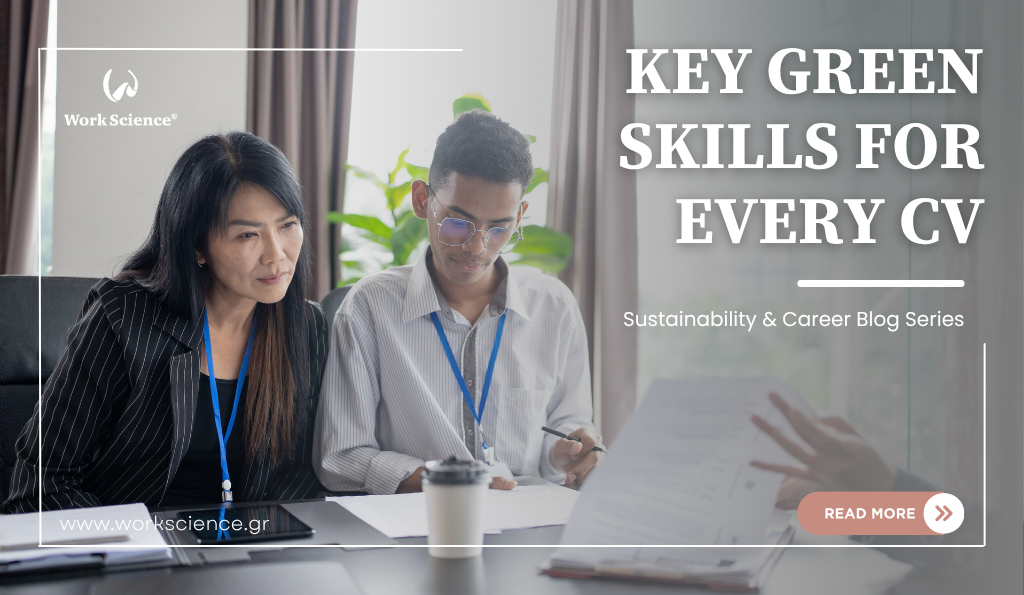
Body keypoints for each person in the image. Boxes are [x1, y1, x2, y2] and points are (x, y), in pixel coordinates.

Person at [3, 132, 327, 512]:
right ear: (197, 247)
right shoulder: (123, 319)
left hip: (247, 550)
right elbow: (42, 483)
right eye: (248, 234)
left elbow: (296, 477)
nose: (277, 255)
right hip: (130, 548)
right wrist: (137, 548)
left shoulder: (306, 328)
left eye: (288, 225)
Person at [314, 110, 603, 494]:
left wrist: (565, 451)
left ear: (519, 216)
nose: (477, 247)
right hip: (421, 522)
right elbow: (341, 457)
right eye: (458, 223)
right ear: (422, 200)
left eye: (499, 229)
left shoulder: (554, 307)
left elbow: (563, 425)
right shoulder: (371, 306)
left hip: (528, 520)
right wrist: (453, 483)